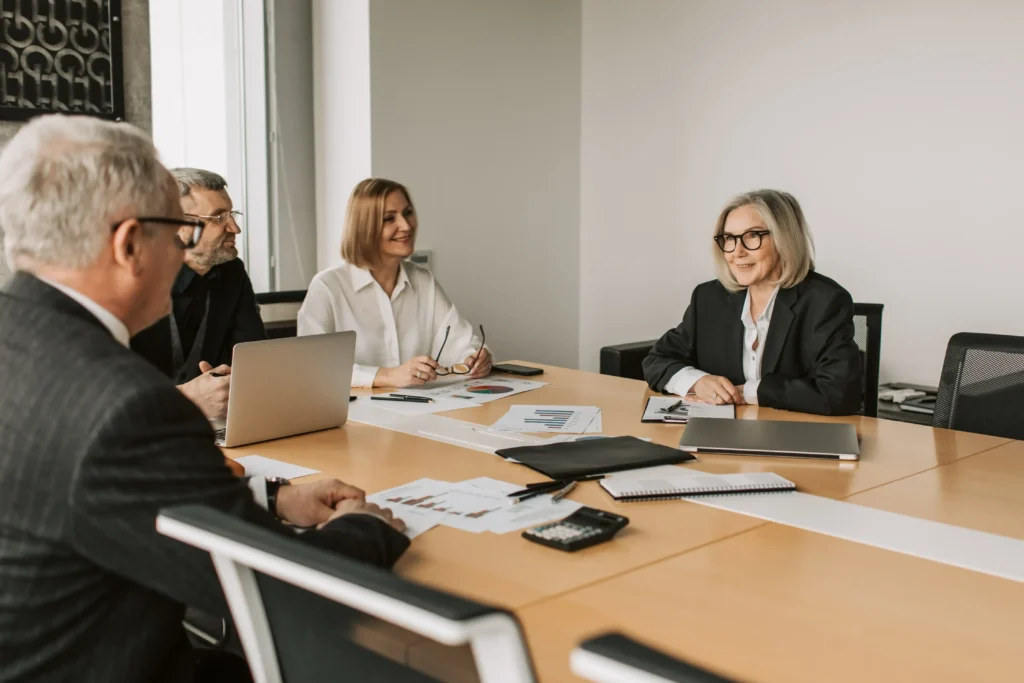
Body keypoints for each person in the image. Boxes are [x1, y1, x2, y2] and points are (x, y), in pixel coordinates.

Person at [0, 115, 409, 683]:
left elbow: (103, 490)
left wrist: (269, 497)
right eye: (178, 233)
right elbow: (273, 584)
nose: (184, 251)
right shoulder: (128, 406)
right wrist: (366, 527)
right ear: (128, 245)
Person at [643, 189, 862, 416]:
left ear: (783, 239)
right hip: (722, 434)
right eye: (729, 238)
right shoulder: (709, 298)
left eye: (752, 236)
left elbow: (839, 394)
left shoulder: (825, 301)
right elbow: (656, 360)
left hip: (792, 436)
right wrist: (698, 382)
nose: (737, 251)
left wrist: (750, 392)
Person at [298, 178, 492, 387]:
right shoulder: (327, 287)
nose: (406, 226)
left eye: (407, 213)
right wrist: (388, 376)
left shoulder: (424, 282)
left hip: (422, 408)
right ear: (364, 227)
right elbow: (311, 368)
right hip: (353, 415)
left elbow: (461, 342)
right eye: (389, 219)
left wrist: (475, 358)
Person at [131, 168, 265, 420]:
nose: (235, 228)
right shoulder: (132, 281)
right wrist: (187, 398)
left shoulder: (232, 272)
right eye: (218, 218)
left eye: (232, 214)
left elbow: (255, 358)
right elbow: (109, 393)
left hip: (214, 426)